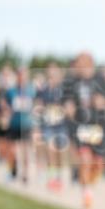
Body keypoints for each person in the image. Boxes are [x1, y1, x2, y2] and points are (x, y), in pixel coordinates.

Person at [62, 53, 105, 209]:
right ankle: (87, 194)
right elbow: (66, 102)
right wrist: (69, 108)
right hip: (81, 127)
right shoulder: (71, 81)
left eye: (81, 63)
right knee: (85, 160)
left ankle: (89, 183)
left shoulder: (99, 79)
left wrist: (100, 102)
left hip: (98, 127)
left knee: (99, 164)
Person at [36, 62, 69, 191]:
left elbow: (69, 105)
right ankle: (52, 177)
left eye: (54, 71)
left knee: (59, 152)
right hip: (48, 124)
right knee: (51, 149)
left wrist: (63, 109)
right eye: (50, 71)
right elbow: (38, 105)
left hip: (61, 125)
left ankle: (59, 176)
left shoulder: (64, 88)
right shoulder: (43, 89)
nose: (52, 74)